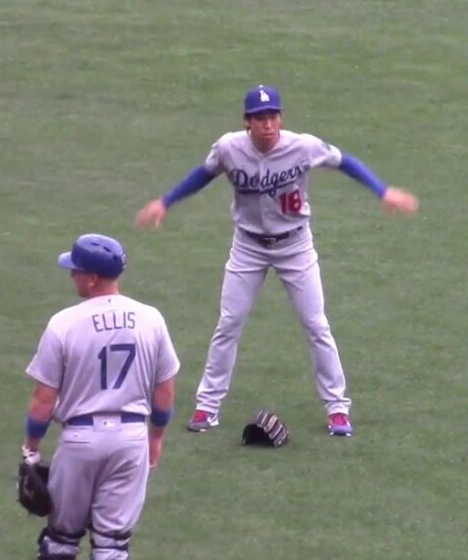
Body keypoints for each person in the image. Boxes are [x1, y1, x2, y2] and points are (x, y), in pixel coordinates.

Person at [135, 84, 419, 437]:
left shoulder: (303, 146)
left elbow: (345, 162)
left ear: (281, 119)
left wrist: (382, 190)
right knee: (228, 324)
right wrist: (166, 202)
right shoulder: (229, 148)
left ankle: (338, 409)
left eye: (272, 117)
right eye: (259, 118)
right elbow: (203, 174)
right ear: (247, 122)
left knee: (316, 325)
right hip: (248, 246)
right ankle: (207, 406)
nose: (267, 124)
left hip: (295, 245)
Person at [22, 233, 179, 560]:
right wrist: (157, 438)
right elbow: (165, 389)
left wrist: (31, 450)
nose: (71, 275)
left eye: (76, 270)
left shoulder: (63, 324)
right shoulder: (151, 319)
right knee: (112, 546)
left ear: (92, 278)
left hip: (81, 440)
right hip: (130, 439)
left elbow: (43, 398)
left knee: (60, 541)